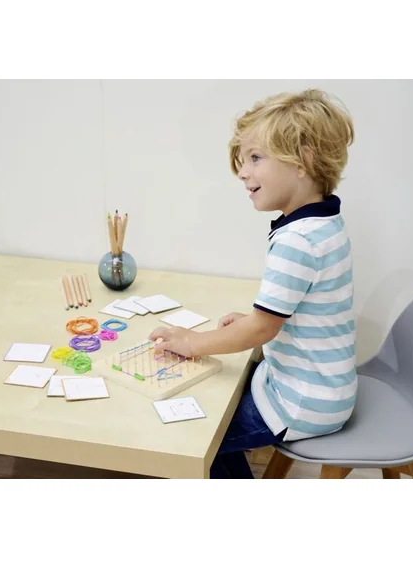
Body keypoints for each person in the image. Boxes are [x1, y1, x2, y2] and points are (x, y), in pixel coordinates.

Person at [149, 89, 357, 478]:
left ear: (304, 160)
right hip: (323, 388)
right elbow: (297, 310)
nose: (243, 172)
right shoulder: (324, 223)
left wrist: (191, 342)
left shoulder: (297, 240)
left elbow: (263, 329)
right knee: (215, 408)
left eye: (256, 158)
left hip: (299, 402)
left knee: (196, 437)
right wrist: (253, 320)